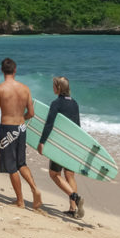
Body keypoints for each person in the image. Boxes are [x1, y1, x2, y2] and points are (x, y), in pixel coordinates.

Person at [0, 57, 42, 210]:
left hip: (7, 130)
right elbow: (31, 113)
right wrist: (20, 120)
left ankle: (20, 201)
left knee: (11, 167)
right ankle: (35, 188)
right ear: (15, 70)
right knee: (21, 163)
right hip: (21, 128)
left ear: (2, 70)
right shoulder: (25, 89)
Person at [37, 76, 85, 218]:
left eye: (54, 85)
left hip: (59, 146)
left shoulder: (56, 103)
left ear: (58, 88)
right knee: (69, 175)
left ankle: (74, 197)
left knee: (54, 174)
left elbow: (49, 124)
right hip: (71, 145)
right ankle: (73, 209)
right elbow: (78, 127)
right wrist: (78, 146)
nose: (53, 88)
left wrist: (42, 142)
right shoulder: (75, 104)